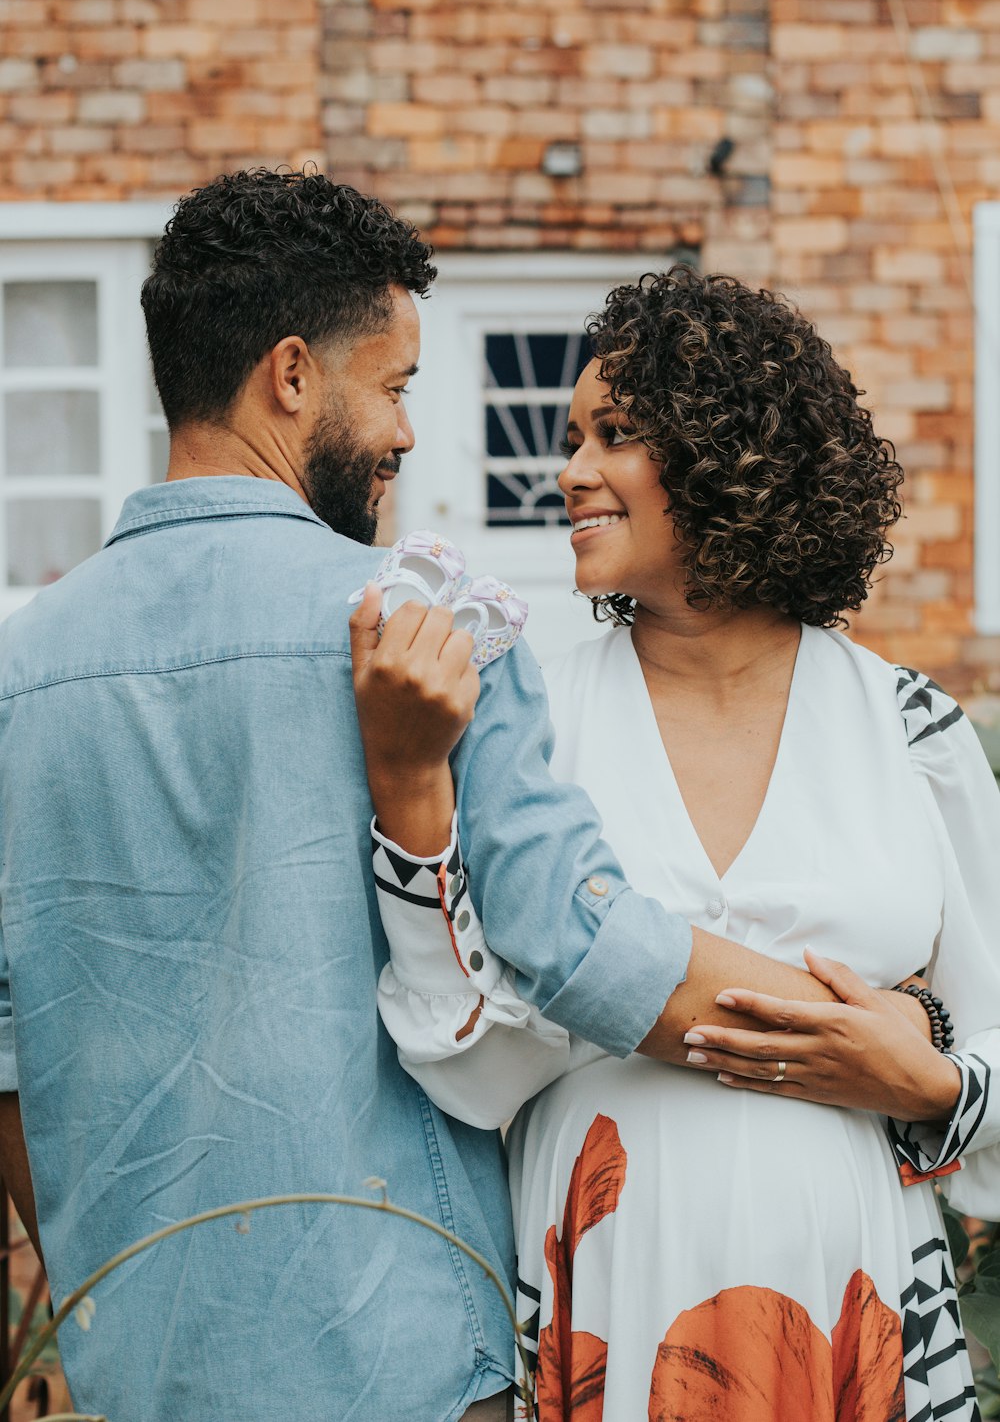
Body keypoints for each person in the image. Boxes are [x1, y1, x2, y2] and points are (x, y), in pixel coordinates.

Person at [0, 174, 921, 1421]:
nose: (408, 434)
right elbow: (568, 937)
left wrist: (84, 1268)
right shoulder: (425, 635)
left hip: (141, 1355)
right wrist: (855, 1031)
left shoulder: (20, 674)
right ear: (290, 376)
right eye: (393, 386)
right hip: (401, 1354)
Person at [355, 267, 1000, 1421]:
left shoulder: (913, 735)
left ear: (729, 450)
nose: (570, 473)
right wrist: (410, 788)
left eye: (615, 434)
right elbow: (468, 1055)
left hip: (853, 1303)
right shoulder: (528, 723)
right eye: (569, 437)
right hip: (606, 1296)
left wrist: (932, 1075)